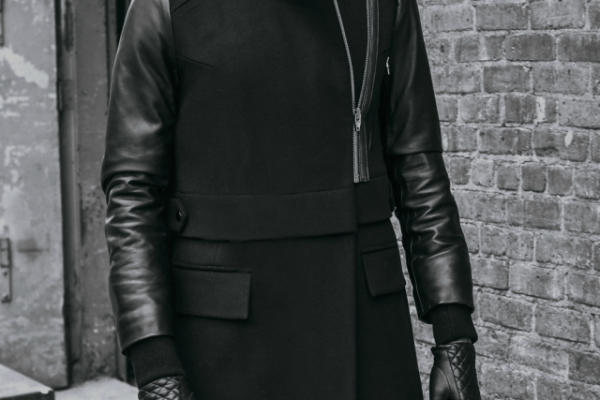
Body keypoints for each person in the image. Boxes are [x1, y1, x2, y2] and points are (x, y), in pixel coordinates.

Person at [101, 0, 483, 399]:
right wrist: (155, 366)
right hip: (222, 337)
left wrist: (454, 332)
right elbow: (132, 191)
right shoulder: (161, 6)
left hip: (365, 327)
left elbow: (418, 166)